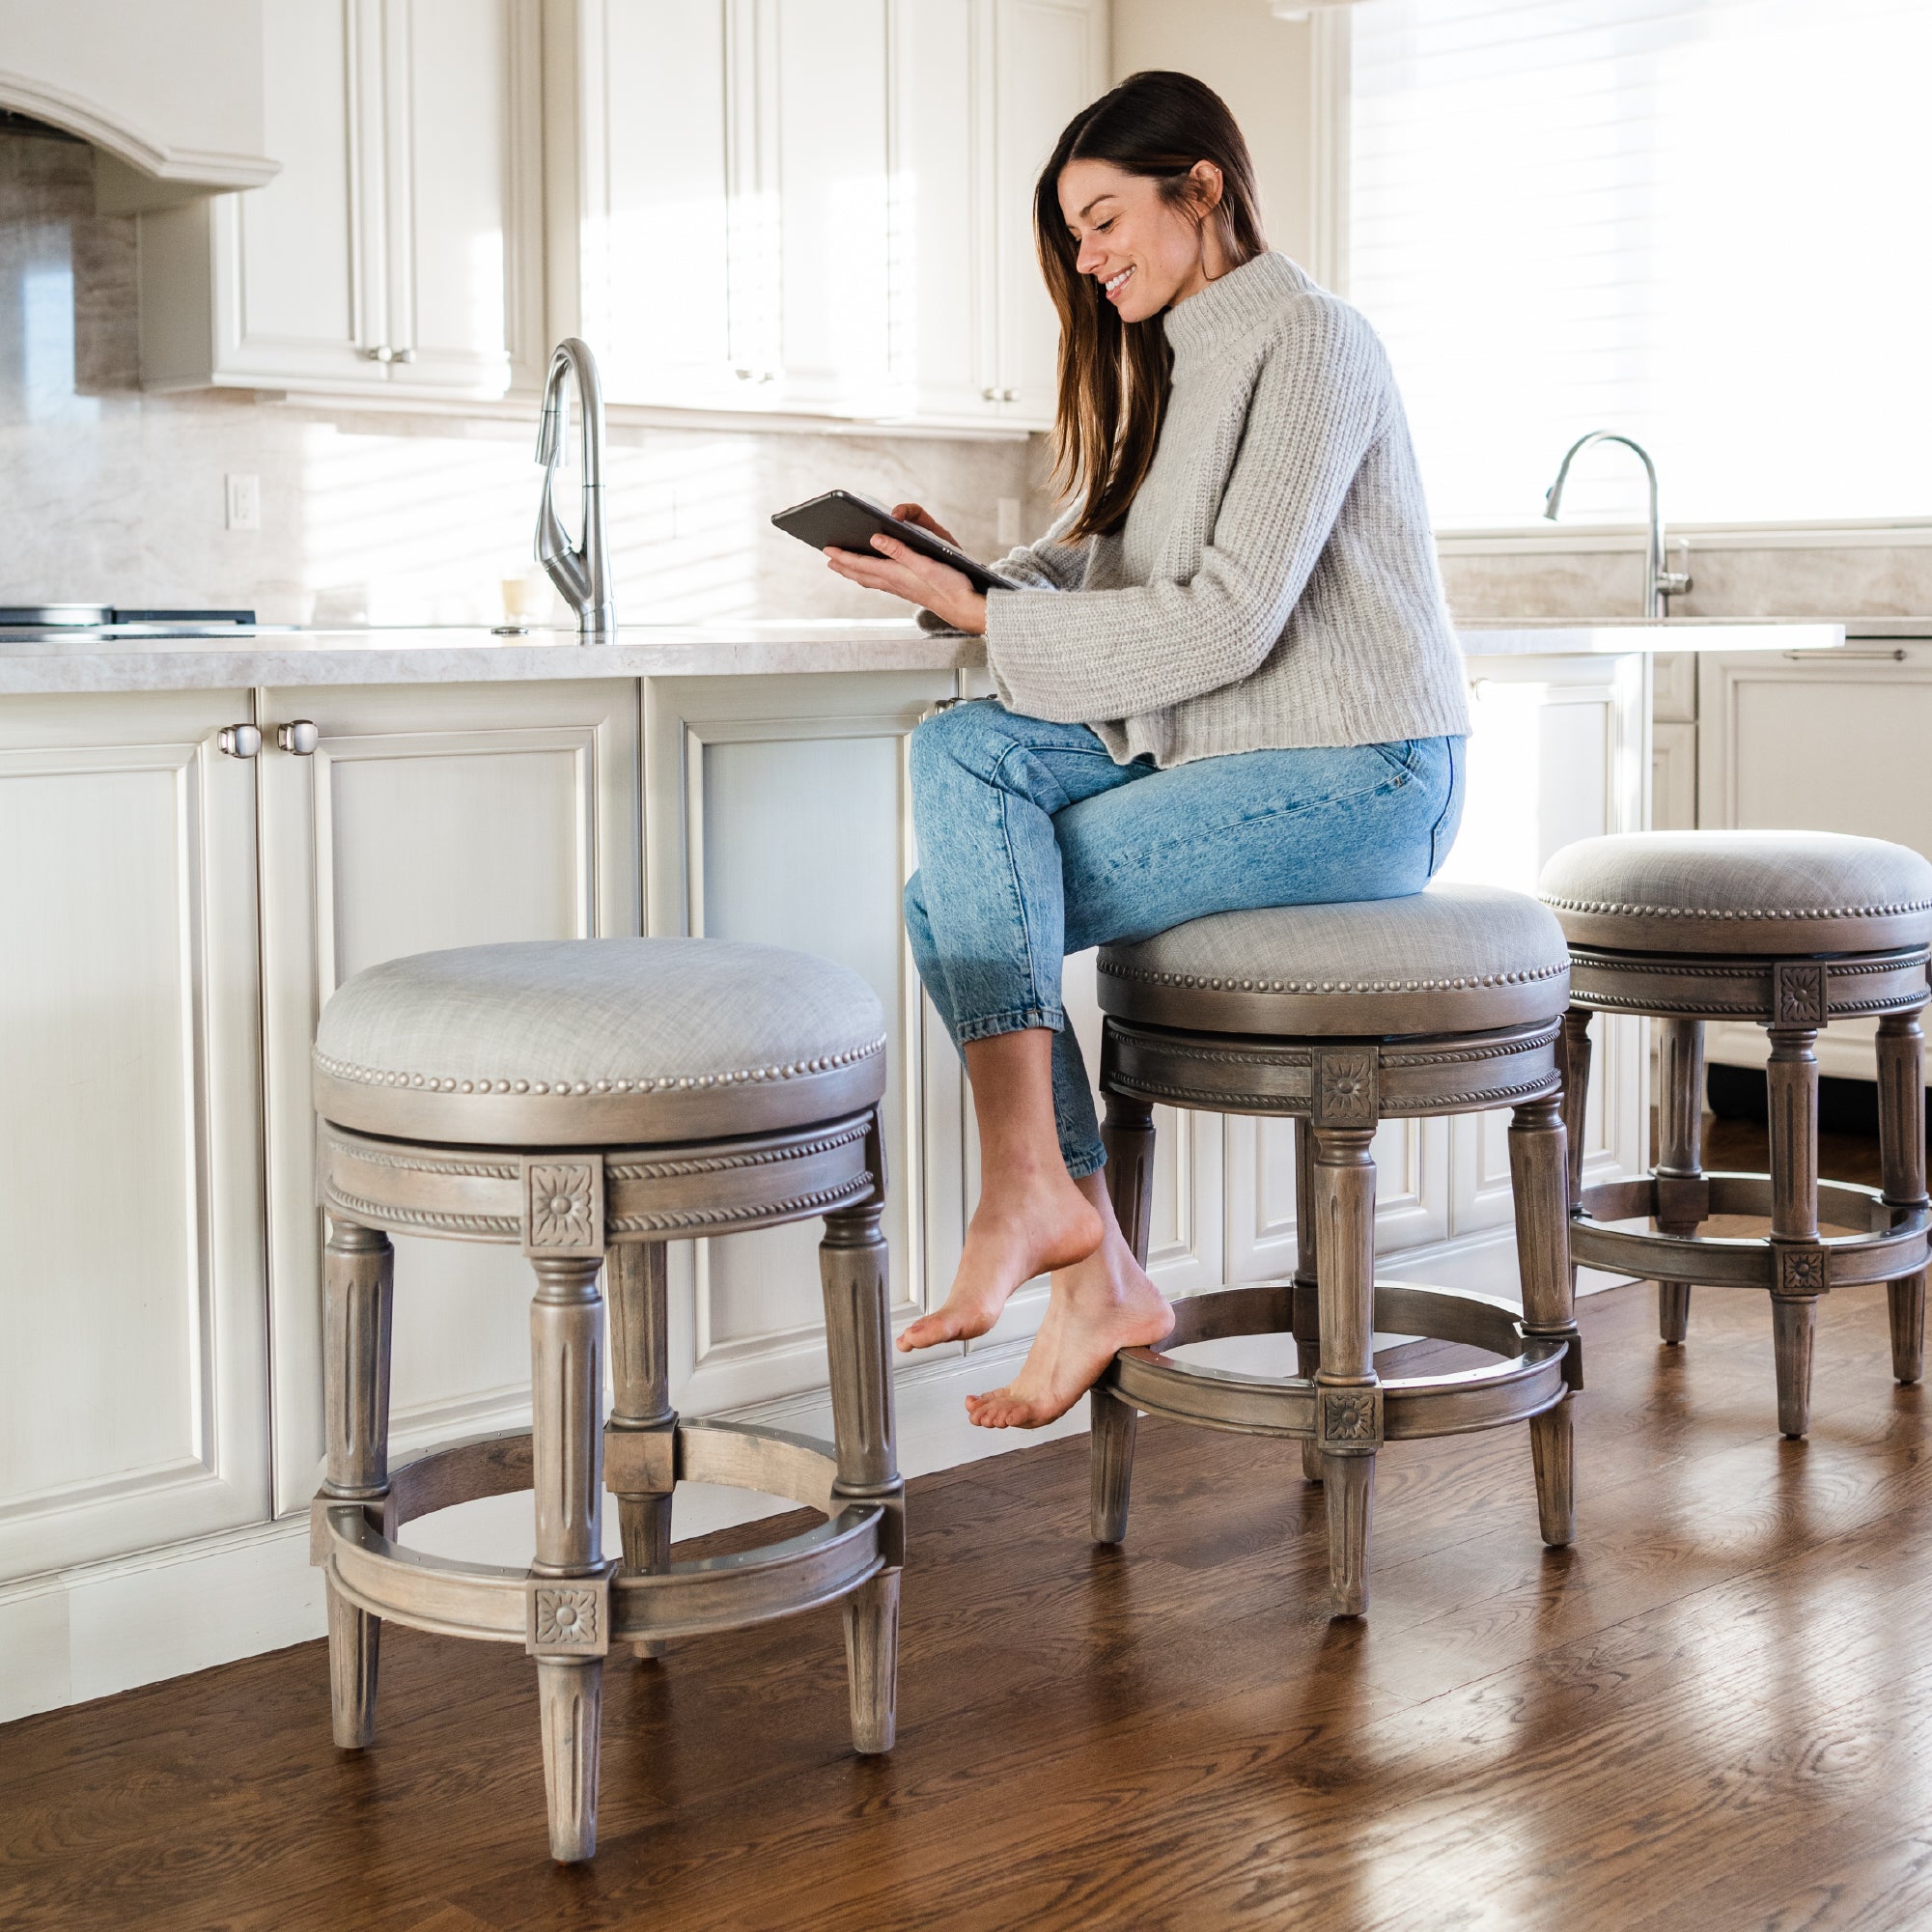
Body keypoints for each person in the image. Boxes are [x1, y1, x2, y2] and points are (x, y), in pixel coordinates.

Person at [823, 70, 1470, 1429]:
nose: (1089, 256)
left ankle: (1057, 1222)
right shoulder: (1174, 358)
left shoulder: (1314, 339)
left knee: (949, 895)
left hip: (1366, 771)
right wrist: (960, 571)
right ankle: (1079, 1244)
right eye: (1072, 235)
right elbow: (1109, 574)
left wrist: (986, 611)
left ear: (1203, 188)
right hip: (1228, 752)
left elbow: (1229, 617)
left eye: (1105, 218)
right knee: (960, 763)